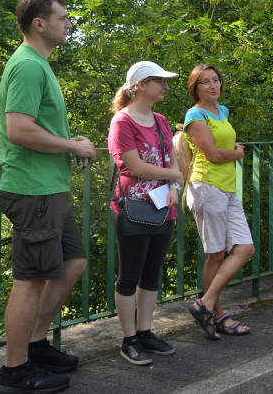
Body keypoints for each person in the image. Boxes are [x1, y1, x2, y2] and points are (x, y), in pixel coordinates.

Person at [0, 0, 96, 394]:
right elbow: (18, 129)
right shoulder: (27, 66)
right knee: (30, 281)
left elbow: (35, 127)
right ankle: (15, 371)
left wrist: (69, 140)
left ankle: (35, 344)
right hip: (32, 190)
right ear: (40, 23)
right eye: (64, 18)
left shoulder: (40, 65)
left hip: (49, 189)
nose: (68, 24)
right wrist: (72, 146)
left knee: (73, 262)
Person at [107, 61, 183, 365]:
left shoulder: (162, 120)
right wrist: (173, 177)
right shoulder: (122, 122)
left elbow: (173, 157)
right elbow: (134, 167)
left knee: (152, 273)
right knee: (130, 275)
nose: (165, 86)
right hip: (133, 207)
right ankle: (129, 340)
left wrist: (175, 185)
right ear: (140, 85)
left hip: (163, 206)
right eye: (159, 81)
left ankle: (145, 332)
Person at [183, 64, 254, 339]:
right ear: (195, 88)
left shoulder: (222, 111)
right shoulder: (195, 115)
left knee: (245, 248)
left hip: (227, 188)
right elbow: (211, 153)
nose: (213, 85)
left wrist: (234, 154)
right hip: (206, 187)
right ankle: (217, 314)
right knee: (215, 253)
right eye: (205, 82)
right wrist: (237, 154)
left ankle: (206, 304)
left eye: (216, 80)